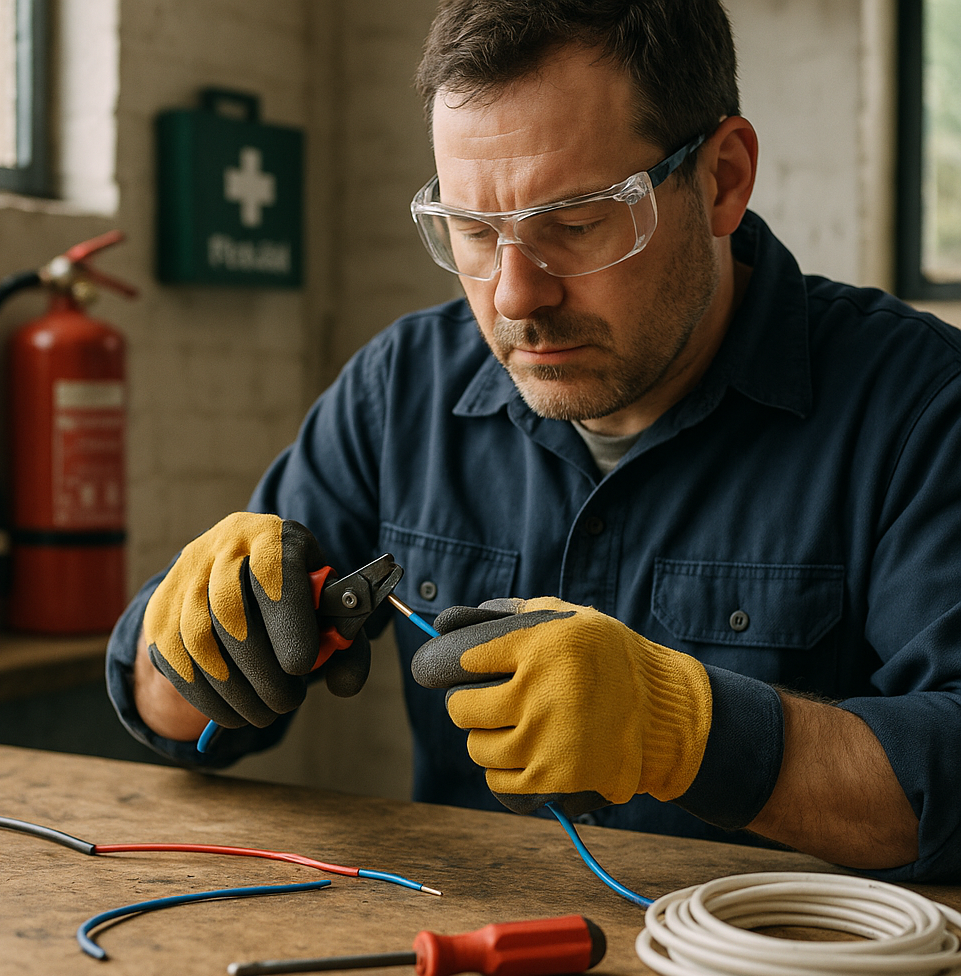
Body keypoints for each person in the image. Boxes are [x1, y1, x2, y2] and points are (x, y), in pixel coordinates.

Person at [107, 0, 961, 882]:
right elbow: (176, 722)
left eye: (578, 223)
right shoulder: (402, 388)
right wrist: (199, 629)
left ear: (722, 178)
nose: (515, 296)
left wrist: (688, 734)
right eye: (473, 231)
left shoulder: (921, 406)